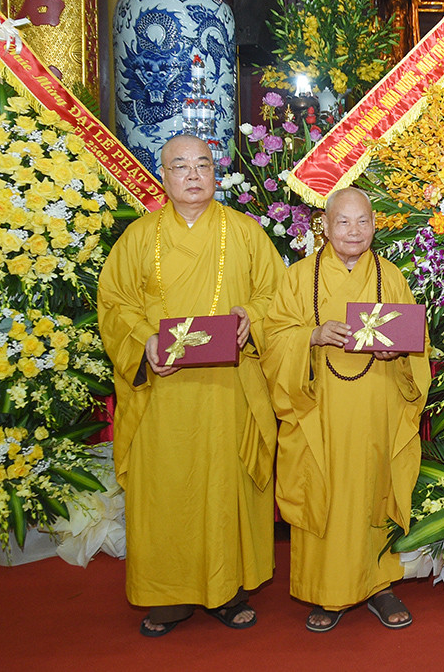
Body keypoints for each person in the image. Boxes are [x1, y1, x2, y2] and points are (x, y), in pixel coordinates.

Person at [97, 135, 284, 637]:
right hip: (165, 392)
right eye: (180, 166)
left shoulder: (246, 233)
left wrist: (252, 318)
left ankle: (227, 590)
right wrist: (144, 343)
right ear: (164, 177)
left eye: (203, 164)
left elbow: (276, 296)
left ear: (216, 174)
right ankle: (168, 593)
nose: (193, 174)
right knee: (167, 490)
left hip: (229, 387)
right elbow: (115, 304)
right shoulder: (138, 237)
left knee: (226, 485)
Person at [261, 187, 430, 632]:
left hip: (377, 407)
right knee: (325, 493)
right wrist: (312, 337)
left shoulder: (390, 276)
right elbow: (274, 338)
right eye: (343, 222)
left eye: (363, 222)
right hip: (319, 414)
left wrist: (400, 354)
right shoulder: (299, 277)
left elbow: (416, 339)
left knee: (374, 490)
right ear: (325, 226)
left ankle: (379, 585)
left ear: (375, 225)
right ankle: (327, 591)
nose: (354, 231)